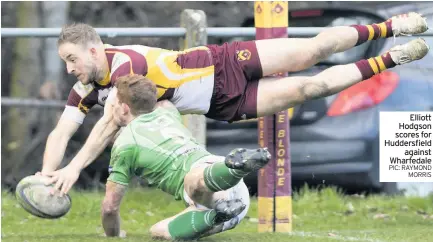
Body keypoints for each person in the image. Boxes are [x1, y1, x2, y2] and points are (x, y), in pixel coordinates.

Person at [41, 12, 430, 194]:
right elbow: (62, 130)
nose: (70, 68)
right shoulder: (86, 88)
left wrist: (73, 169)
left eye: (73, 59)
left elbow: (110, 124)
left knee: (315, 49)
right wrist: (47, 175)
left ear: (95, 51)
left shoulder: (126, 63)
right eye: (65, 62)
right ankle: (391, 58)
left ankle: (390, 27)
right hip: (224, 104)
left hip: (224, 63)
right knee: (311, 89)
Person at [97, 74, 271, 239]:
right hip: (231, 200)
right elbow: (162, 97)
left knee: (191, 181)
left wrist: (113, 235)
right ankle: (218, 210)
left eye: (113, 105)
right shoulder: (168, 111)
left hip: (207, 175)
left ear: (124, 108)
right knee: (158, 231)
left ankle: (235, 170)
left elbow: (110, 207)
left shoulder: (125, 144)